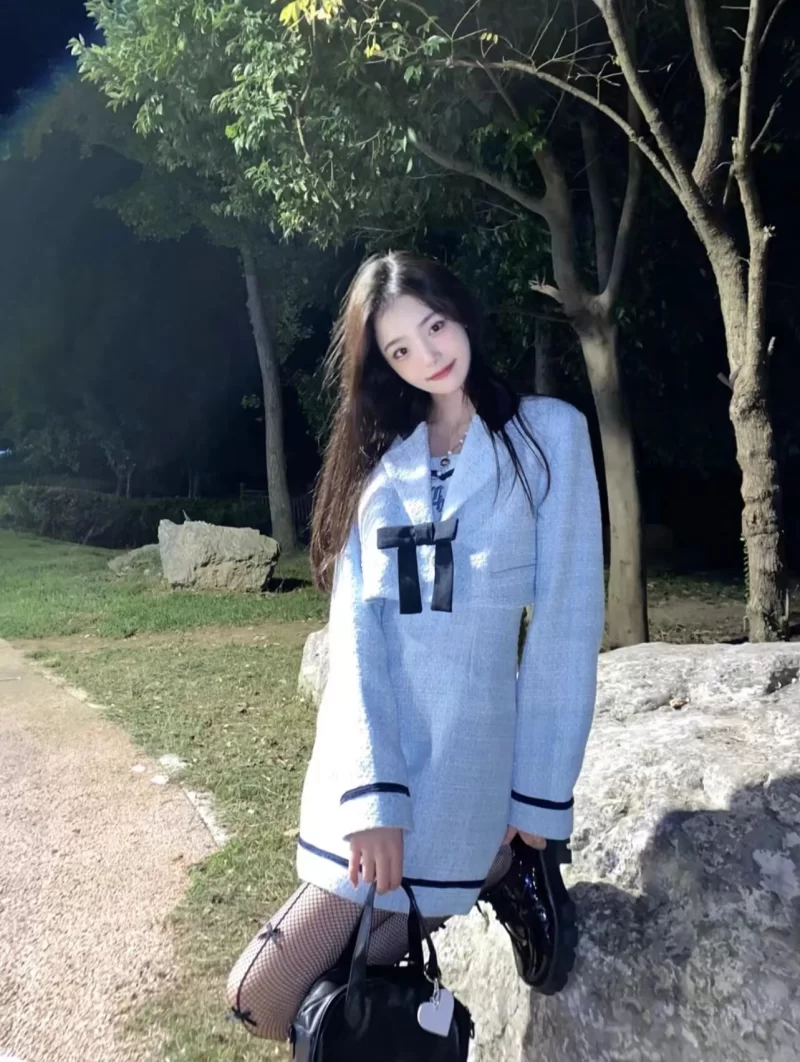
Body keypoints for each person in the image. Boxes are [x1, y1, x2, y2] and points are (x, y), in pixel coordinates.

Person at [226, 251, 605, 1041]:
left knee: (294, 1002)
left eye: (434, 327)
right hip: (372, 772)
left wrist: (535, 804)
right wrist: (372, 799)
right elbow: (357, 638)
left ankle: (507, 864)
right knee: (263, 999)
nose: (427, 355)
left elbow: (566, 626)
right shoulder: (382, 468)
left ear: (460, 311)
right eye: (400, 348)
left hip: (467, 771)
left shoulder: (548, 437)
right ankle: (488, 877)